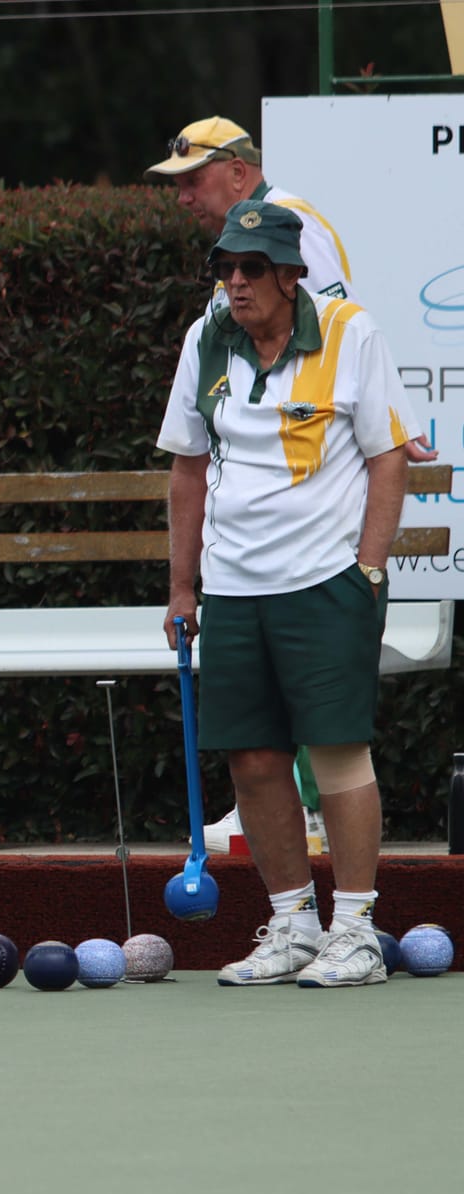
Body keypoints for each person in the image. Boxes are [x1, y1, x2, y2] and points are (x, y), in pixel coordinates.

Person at [148, 116, 438, 854]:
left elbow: (334, 332)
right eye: (176, 185)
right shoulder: (219, 309)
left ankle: (314, 833)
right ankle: (288, 886)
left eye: (193, 179)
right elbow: (189, 456)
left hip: (318, 549)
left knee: (326, 735)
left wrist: (389, 424)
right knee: (258, 745)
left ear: (238, 171)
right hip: (242, 569)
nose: (183, 196)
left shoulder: (293, 225)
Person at [158, 201, 415, 988]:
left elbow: (389, 456)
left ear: (291, 275)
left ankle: (358, 930)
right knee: (255, 759)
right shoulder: (206, 339)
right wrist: (181, 587)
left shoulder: (349, 331)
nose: (236, 283)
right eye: (226, 268)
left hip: (324, 582)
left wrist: (368, 570)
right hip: (233, 589)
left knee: (337, 753)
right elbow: (186, 469)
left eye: (253, 269)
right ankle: (295, 924)